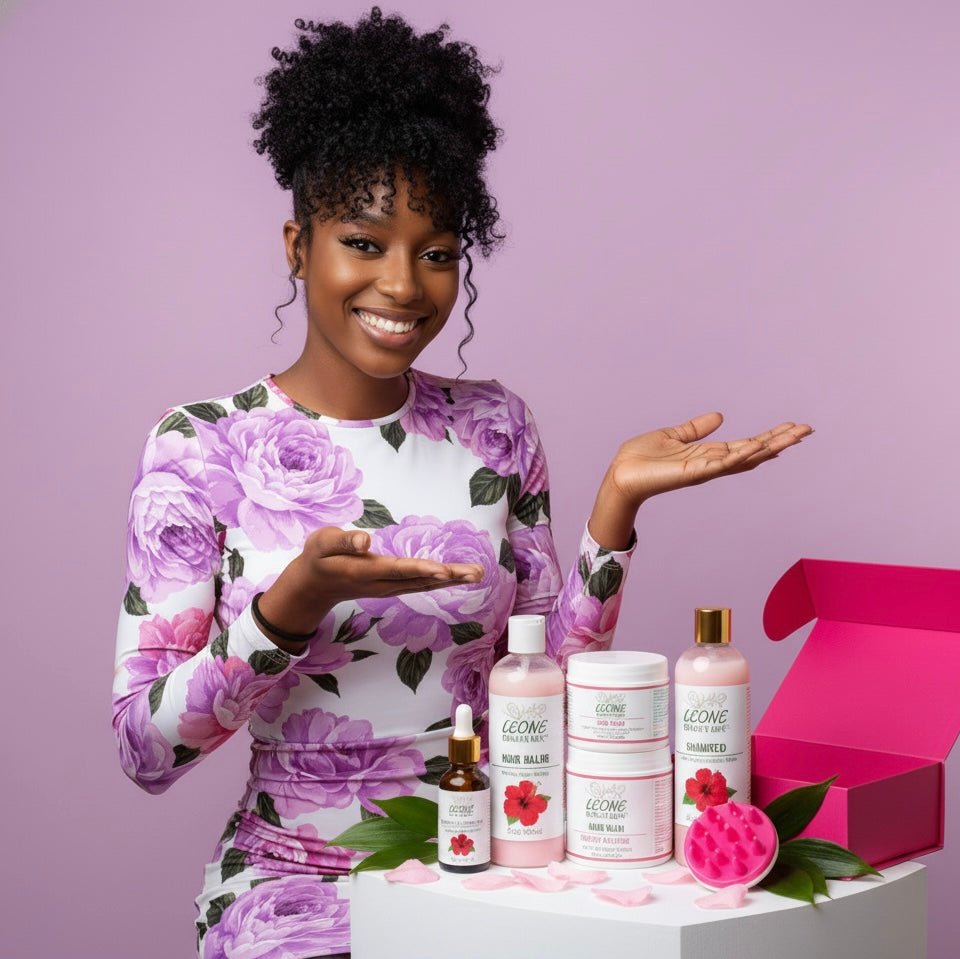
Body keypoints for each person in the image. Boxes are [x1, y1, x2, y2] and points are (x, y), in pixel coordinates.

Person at [111, 9, 812, 958]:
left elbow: (547, 692)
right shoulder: (200, 447)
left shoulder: (494, 426)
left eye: (436, 252)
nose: (403, 285)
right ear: (296, 244)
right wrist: (286, 609)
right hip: (293, 890)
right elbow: (144, 752)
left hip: (489, 874)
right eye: (363, 241)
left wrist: (614, 515)